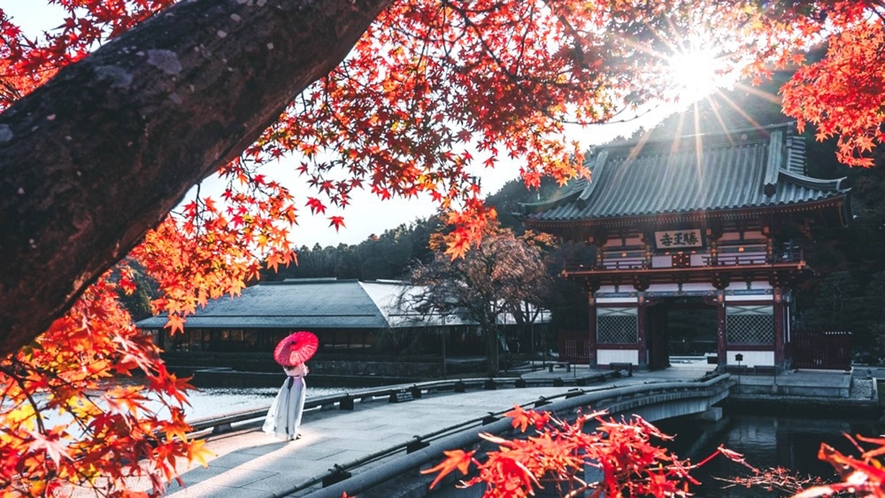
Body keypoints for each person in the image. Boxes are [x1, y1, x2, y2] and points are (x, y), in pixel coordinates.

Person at [262, 362, 308, 441]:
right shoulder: (299, 361)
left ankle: (290, 431)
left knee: (288, 408)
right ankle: (293, 431)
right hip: (298, 384)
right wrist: (305, 369)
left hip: (288, 384)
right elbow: (303, 373)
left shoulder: (285, 362)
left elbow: (288, 372)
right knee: (296, 410)